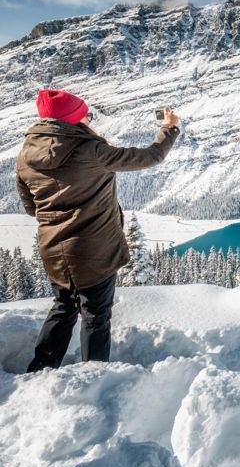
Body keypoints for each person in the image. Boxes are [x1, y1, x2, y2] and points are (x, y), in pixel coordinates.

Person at [16, 89, 180, 372]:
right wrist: (170, 128)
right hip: (94, 251)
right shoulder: (92, 151)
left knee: (64, 307)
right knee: (96, 315)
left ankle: (41, 368)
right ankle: (94, 376)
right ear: (73, 120)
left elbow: (32, 208)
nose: (89, 120)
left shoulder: (25, 155)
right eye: (85, 115)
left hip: (54, 250)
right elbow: (150, 156)